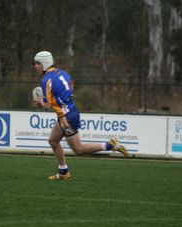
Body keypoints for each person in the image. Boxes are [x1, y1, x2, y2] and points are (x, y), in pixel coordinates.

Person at [32, 51, 128, 181]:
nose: (35, 66)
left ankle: (110, 145)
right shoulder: (62, 73)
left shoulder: (46, 80)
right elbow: (71, 85)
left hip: (66, 117)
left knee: (79, 149)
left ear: (45, 63)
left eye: (37, 63)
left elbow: (47, 105)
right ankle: (63, 172)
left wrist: (40, 103)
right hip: (70, 112)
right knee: (53, 141)